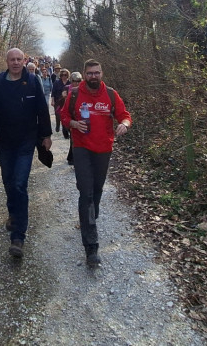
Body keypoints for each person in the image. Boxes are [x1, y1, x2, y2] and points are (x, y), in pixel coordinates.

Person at [0, 47, 52, 258]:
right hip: (2, 141)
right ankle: (13, 212)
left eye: (19, 59)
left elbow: (42, 110)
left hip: (25, 142)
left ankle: (18, 236)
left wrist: (46, 135)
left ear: (24, 61)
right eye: (12, 59)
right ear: (7, 61)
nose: (16, 62)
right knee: (9, 180)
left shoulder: (32, 81)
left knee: (20, 183)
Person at [59, 59, 131, 267]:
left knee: (97, 189)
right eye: (90, 73)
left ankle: (89, 216)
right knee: (86, 192)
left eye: (97, 73)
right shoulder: (74, 94)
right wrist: (73, 123)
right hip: (81, 148)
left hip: (104, 149)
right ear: (84, 74)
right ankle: (91, 248)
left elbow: (124, 115)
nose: (93, 76)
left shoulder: (110, 94)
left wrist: (125, 124)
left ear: (101, 74)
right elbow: (64, 116)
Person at [63, 71, 83, 164]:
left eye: (79, 81)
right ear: (71, 81)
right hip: (70, 117)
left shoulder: (84, 90)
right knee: (73, 139)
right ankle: (72, 159)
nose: (77, 83)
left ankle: (72, 158)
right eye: (75, 81)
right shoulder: (67, 88)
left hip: (81, 117)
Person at [52, 68, 70, 136]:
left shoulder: (70, 82)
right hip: (58, 102)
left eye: (65, 75)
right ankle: (57, 124)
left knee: (65, 115)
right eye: (62, 75)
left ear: (67, 75)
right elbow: (53, 92)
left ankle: (65, 129)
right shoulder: (57, 82)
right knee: (58, 114)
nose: (63, 76)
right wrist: (53, 101)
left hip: (67, 102)